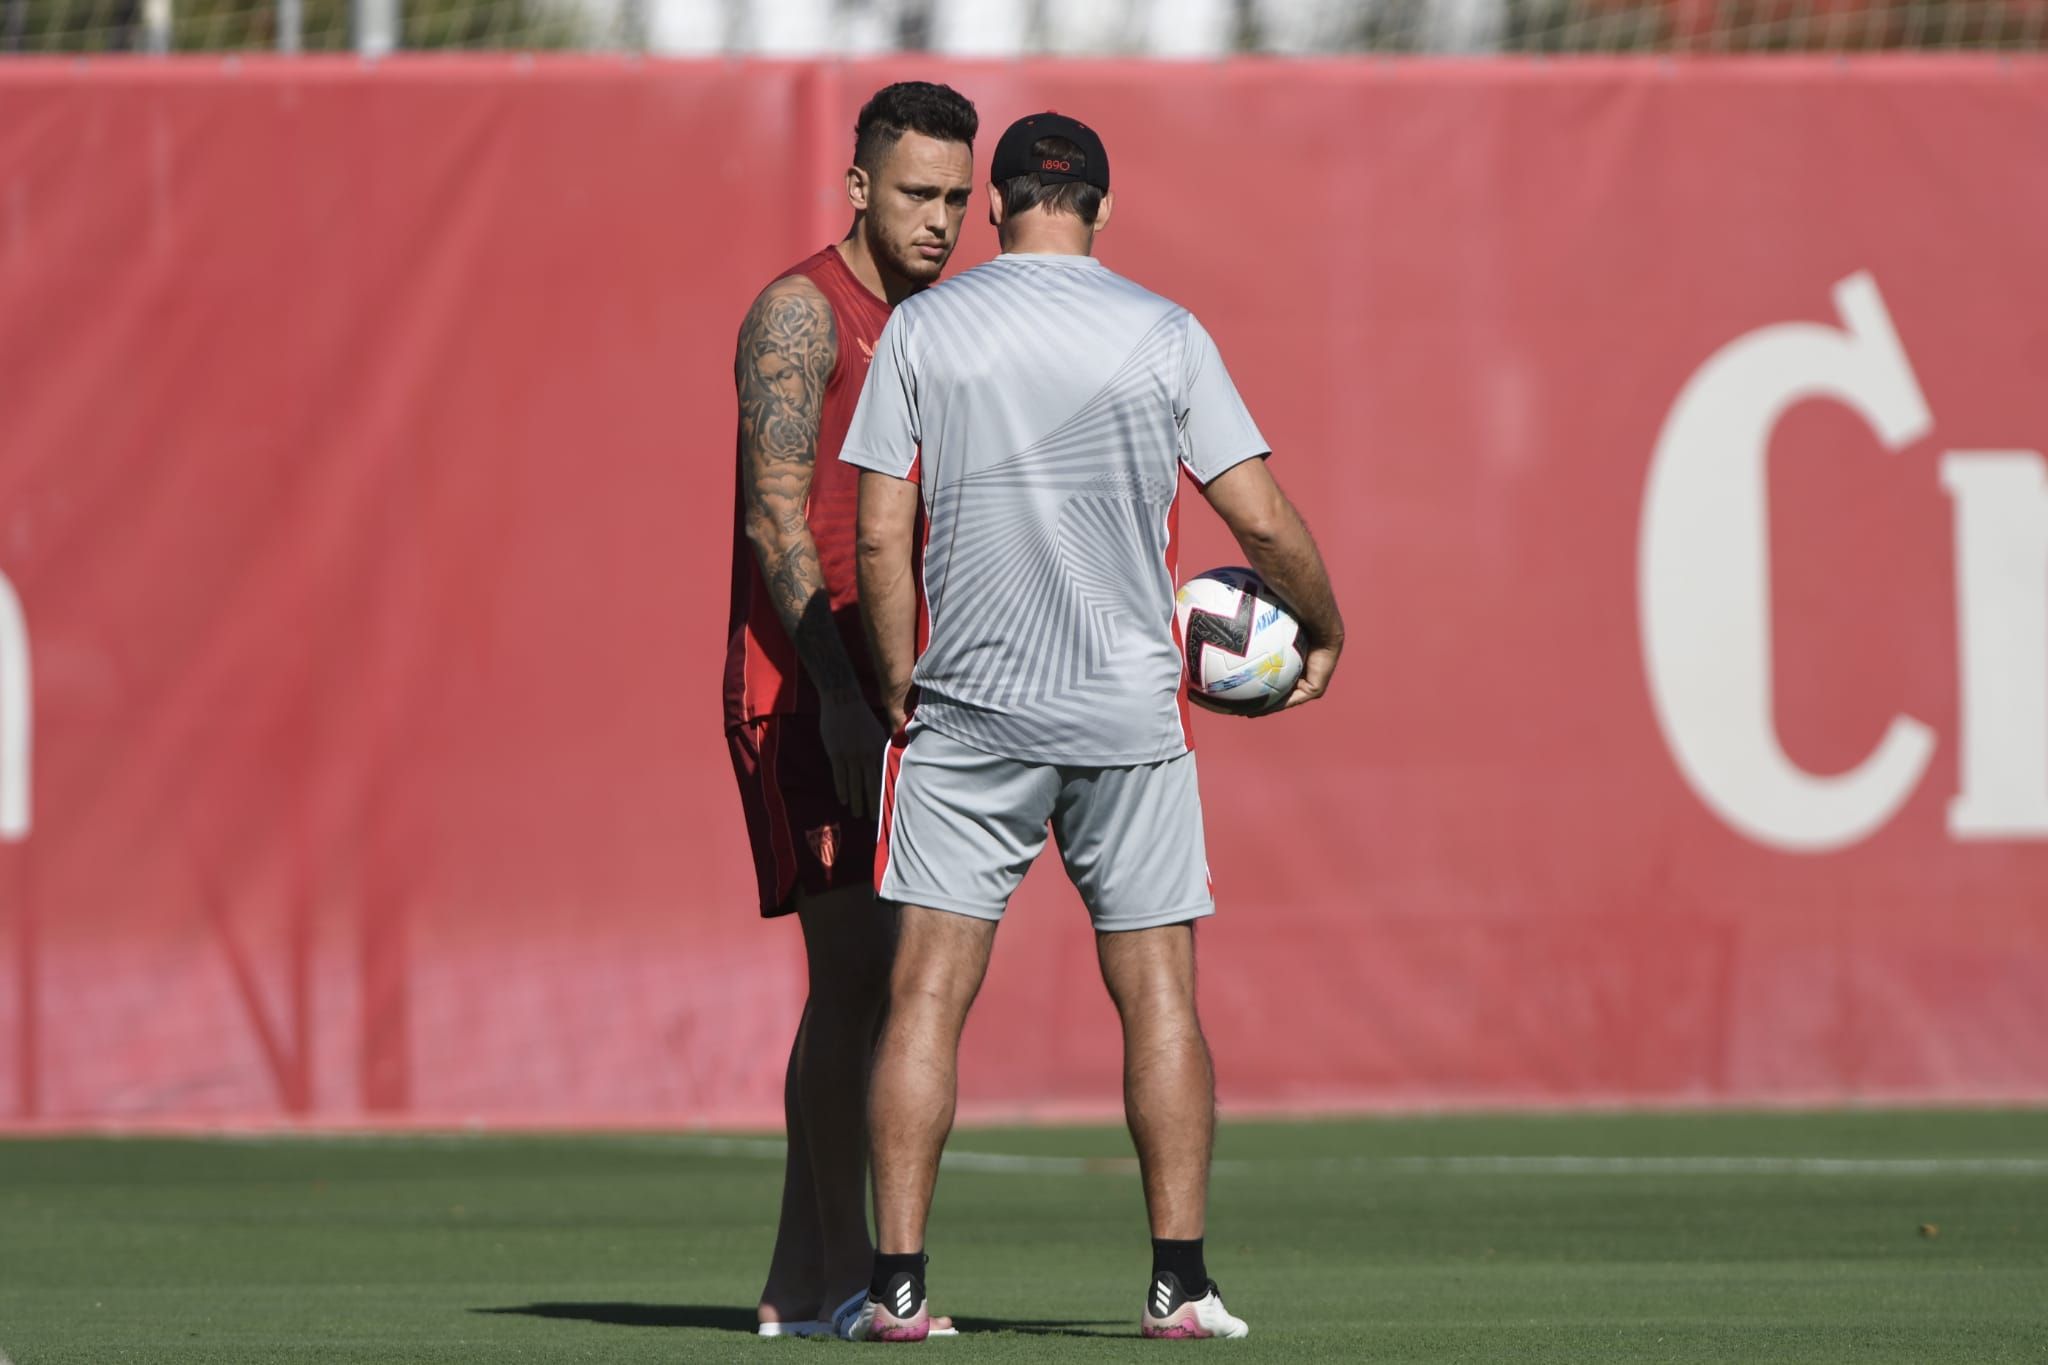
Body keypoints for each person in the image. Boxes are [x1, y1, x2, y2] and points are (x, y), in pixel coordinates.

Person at [836, 111, 1344, 1342]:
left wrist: (898, 678)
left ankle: (899, 1294)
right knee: (1158, 994)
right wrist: (1324, 627)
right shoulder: (1164, 331)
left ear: (996, 203)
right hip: (1125, 712)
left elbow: (872, 535)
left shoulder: (923, 326)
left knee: (924, 998)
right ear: (1102, 211)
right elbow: (1262, 523)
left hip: (972, 710)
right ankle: (1180, 1284)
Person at [723, 80, 977, 1339]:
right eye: (916, 194)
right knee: (861, 978)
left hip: (902, 687)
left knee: (878, 986)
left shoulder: (944, 321)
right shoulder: (798, 313)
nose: (938, 220)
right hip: (808, 691)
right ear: (860, 187)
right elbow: (777, 516)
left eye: (956, 198)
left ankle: (793, 1282)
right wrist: (835, 692)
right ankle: (841, 1280)